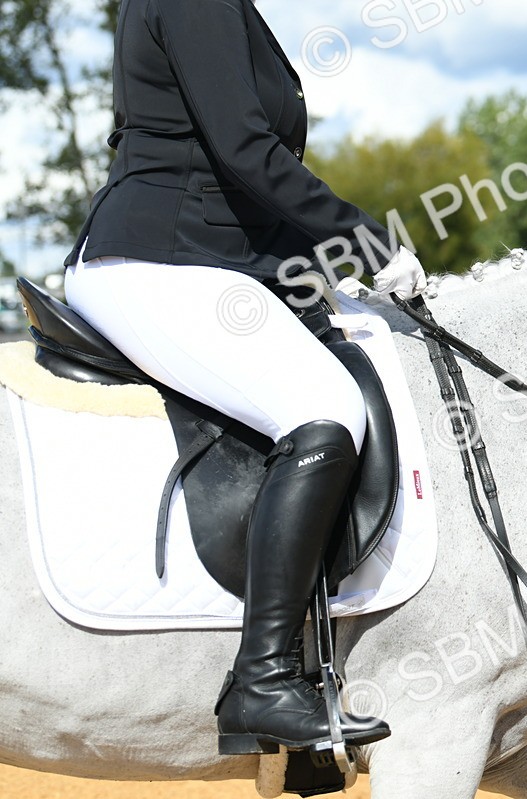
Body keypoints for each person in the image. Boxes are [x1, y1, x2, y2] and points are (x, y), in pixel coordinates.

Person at [61, 0, 422, 755]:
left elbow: (232, 174)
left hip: (201, 255)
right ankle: (262, 679)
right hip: (156, 257)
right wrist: (365, 239)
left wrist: (329, 265)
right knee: (324, 406)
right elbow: (246, 151)